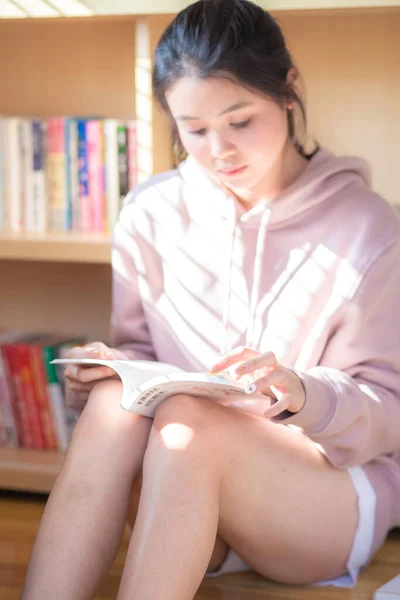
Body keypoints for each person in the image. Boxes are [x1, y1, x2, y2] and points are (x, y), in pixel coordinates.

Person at [21, 0, 400, 598]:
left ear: (288, 91)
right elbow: (142, 351)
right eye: (194, 131)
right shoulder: (149, 212)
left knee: (190, 419)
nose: (220, 150)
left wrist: (299, 391)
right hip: (182, 486)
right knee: (115, 400)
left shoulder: (368, 228)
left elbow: (387, 412)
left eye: (241, 121)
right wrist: (106, 366)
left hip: (321, 498)